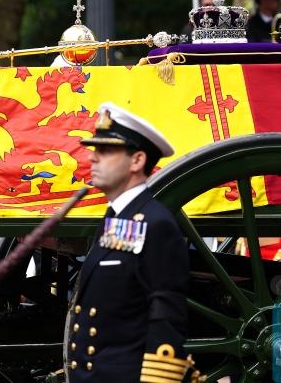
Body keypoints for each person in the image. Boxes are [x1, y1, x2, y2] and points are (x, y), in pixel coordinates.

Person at [65, 102, 192, 382]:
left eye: (106, 151)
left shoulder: (156, 224)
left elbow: (166, 320)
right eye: (95, 150)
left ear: (137, 161)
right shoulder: (117, 217)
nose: (93, 159)